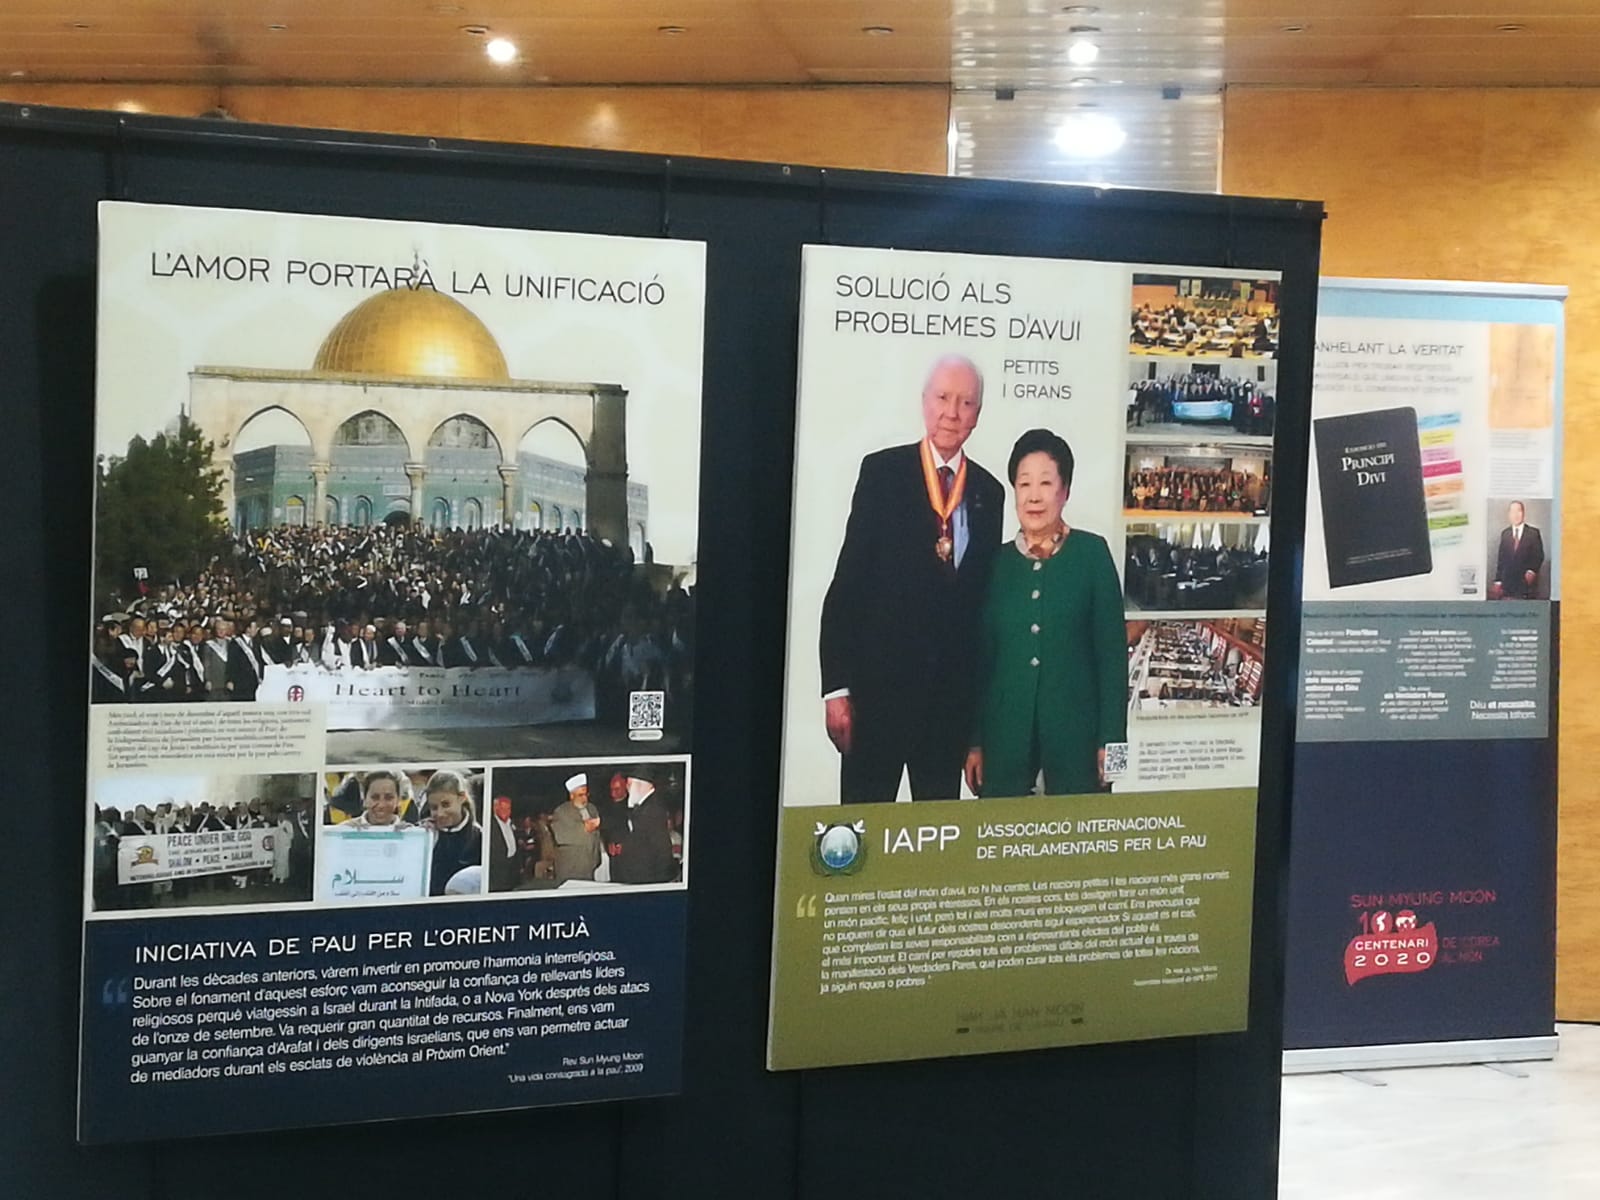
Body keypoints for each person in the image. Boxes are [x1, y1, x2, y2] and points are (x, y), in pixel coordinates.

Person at [819, 353, 1004, 803]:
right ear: (924, 402)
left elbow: (980, 611)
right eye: (943, 397)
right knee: (862, 839)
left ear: (977, 415)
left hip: (946, 710)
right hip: (875, 701)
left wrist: (977, 724)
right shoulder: (882, 474)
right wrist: (836, 688)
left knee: (934, 850)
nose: (951, 412)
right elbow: (848, 585)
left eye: (965, 403)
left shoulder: (990, 493)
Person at [964, 429, 1128, 799]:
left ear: (1064, 491)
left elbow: (1112, 660)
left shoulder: (1092, 555)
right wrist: (973, 742)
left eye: (1045, 482)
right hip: (1003, 741)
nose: (1034, 495)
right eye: (1024, 484)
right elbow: (981, 663)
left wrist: (1114, 750)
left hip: (1079, 745)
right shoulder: (995, 563)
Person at [601, 772, 678, 884]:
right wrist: (610, 843)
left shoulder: (649, 808)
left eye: (628, 785)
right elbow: (608, 832)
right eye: (611, 789)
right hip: (621, 870)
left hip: (644, 876)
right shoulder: (612, 807)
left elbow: (661, 851)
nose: (613, 794)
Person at [421, 769, 483, 896]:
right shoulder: (423, 833)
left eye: (446, 804)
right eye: (434, 807)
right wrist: (403, 835)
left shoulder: (480, 837)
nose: (440, 813)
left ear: (462, 798)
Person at [549, 772, 601, 883]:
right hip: (570, 868)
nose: (584, 799)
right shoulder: (561, 811)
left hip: (589, 867)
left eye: (586, 794)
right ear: (571, 796)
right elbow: (561, 836)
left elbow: (596, 836)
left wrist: (596, 860)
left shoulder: (592, 809)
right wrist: (586, 828)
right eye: (580, 795)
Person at [1493, 500, 1546, 600]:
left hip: (1526, 585)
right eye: (1513, 512)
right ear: (1509, 515)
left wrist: (1532, 571)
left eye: (1518, 511)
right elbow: (1501, 560)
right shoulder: (1505, 534)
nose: (1516, 515)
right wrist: (1498, 581)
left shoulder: (1533, 533)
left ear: (1523, 513)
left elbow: (1539, 555)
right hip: (1508, 585)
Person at [340, 769, 415, 830]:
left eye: (388, 798)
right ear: (365, 799)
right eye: (375, 797)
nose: (381, 805)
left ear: (398, 800)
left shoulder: (411, 833)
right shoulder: (344, 830)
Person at [486, 794, 525, 891]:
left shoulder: (511, 824)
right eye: (503, 808)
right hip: (497, 871)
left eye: (508, 809)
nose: (506, 812)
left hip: (511, 868)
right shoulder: (490, 825)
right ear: (495, 808)